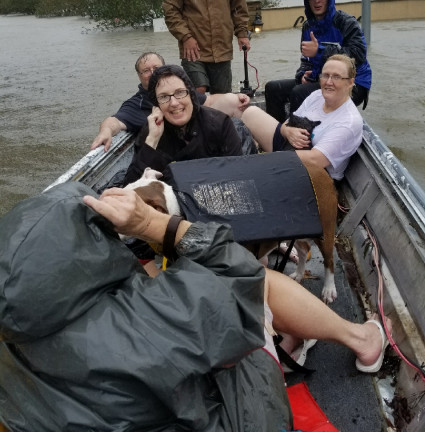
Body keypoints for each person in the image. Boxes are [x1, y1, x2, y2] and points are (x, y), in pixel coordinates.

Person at [0, 181, 390, 431]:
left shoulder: (10, 337)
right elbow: (241, 272)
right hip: (241, 421)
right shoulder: (152, 314)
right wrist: (151, 225)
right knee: (259, 291)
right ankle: (361, 338)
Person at [91, 51, 250, 151]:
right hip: (168, 155)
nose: (152, 73)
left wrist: (235, 97)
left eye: (156, 67)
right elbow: (114, 121)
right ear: (139, 76)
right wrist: (105, 131)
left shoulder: (182, 91)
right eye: (146, 70)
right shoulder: (136, 104)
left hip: (198, 145)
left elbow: (209, 101)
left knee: (239, 106)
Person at [265, 0, 372, 122]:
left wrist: (320, 51)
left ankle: (301, 139)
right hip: (322, 78)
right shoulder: (308, 26)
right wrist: (302, 75)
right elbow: (306, 61)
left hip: (354, 83)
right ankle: (277, 134)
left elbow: (358, 54)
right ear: (307, 1)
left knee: (299, 93)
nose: (316, 1)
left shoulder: (346, 22)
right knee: (273, 88)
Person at [242, 54, 364, 181]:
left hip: (314, 174)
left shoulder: (349, 122)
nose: (329, 82)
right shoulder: (317, 96)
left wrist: (269, 159)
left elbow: (315, 160)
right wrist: (287, 131)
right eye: (325, 75)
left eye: (336, 77)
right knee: (250, 113)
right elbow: (288, 123)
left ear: (350, 82)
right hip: (290, 149)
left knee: (255, 169)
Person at [122, 64, 244, 186]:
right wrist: (152, 141)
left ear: (191, 94)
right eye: (164, 97)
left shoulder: (220, 124)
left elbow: (239, 175)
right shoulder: (150, 132)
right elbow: (130, 188)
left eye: (180, 92)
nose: (174, 103)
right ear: (156, 104)